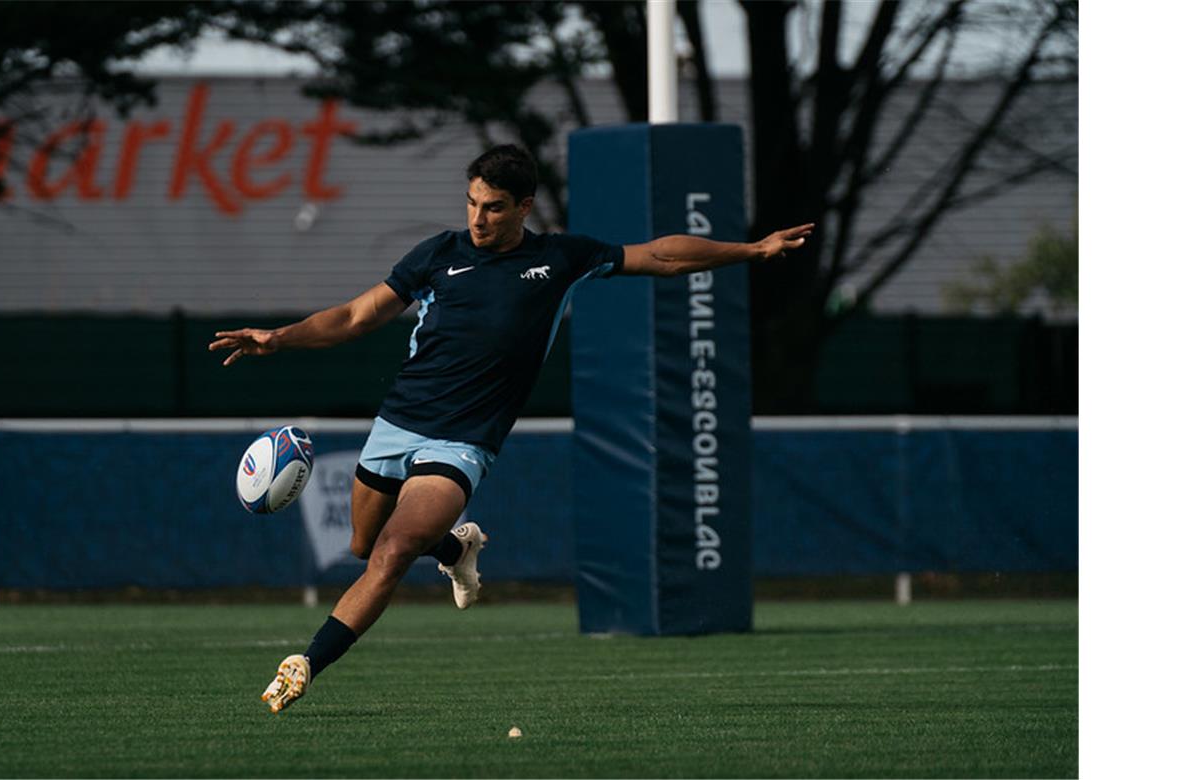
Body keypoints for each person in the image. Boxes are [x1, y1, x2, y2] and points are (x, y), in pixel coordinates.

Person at [209, 145, 812, 713]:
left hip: (463, 440)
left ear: (524, 207)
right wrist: (278, 338)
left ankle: (306, 663)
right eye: (472, 202)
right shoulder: (438, 255)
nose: (478, 218)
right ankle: (458, 547)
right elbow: (357, 315)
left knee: (392, 553)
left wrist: (752, 250)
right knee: (365, 545)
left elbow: (659, 255)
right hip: (396, 424)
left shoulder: (559, 259)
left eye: (494, 207)